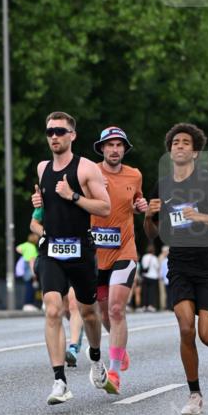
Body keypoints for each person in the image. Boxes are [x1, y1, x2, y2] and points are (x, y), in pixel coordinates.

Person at [144, 123, 208, 414]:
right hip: (180, 264)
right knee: (186, 328)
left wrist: (201, 217)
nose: (180, 146)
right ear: (170, 150)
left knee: (207, 337)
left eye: (186, 142)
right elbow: (151, 234)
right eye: (175, 143)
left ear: (195, 152)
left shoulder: (207, 182)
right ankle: (194, 394)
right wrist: (148, 216)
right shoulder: (162, 185)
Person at [31, 111, 115, 404]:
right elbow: (45, 208)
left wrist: (73, 196)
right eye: (50, 132)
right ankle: (59, 381)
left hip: (81, 250)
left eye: (60, 131)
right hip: (51, 249)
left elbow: (105, 208)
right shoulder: (42, 168)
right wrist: (39, 203)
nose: (54, 136)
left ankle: (96, 360)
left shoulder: (86, 169)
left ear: (72, 135)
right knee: (53, 310)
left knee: (89, 312)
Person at [90, 125, 147, 393]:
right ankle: (119, 347)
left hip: (125, 249)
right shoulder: (88, 172)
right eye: (110, 145)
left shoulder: (135, 174)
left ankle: (113, 372)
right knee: (103, 312)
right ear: (102, 148)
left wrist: (140, 206)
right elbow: (71, 201)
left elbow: (136, 201)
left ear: (125, 149)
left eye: (119, 145)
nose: (114, 150)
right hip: (95, 254)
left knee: (116, 309)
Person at [31, 206, 83, 364]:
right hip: (54, 259)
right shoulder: (45, 196)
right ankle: (77, 329)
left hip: (77, 254)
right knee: (65, 307)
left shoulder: (80, 194)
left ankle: (73, 347)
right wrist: (47, 233)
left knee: (73, 303)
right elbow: (34, 224)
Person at [16, 233, 40, 311]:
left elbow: (17, 248)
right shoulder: (32, 247)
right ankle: (29, 304)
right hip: (30, 268)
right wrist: (34, 273)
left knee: (28, 285)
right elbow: (32, 261)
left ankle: (28, 304)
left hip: (25, 267)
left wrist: (24, 253)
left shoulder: (26, 245)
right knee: (31, 287)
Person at [140, 244, 160, 311]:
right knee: (152, 292)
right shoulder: (154, 258)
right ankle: (151, 306)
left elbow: (143, 266)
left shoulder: (144, 257)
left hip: (145, 276)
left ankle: (144, 306)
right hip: (153, 276)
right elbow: (157, 267)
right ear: (153, 250)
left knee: (145, 291)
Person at [158, 246, 170, 311]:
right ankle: (164, 306)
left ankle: (169, 305)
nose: (166, 252)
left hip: (168, 278)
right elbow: (159, 268)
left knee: (168, 292)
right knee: (163, 293)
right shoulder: (161, 258)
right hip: (162, 278)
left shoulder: (168, 257)